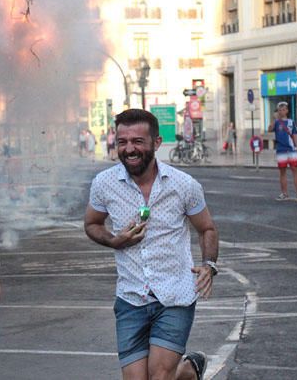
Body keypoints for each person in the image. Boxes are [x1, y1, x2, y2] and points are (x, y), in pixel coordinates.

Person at [84, 109, 218, 380]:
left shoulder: (183, 185)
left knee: (159, 376)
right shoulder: (104, 184)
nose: (129, 149)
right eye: (123, 142)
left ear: (156, 143)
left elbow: (207, 229)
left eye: (137, 142)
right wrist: (114, 240)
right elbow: (92, 224)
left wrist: (208, 265)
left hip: (174, 295)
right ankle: (188, 371)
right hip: (130, 297)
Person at [268, 101, 297, 200]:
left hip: (291, 149)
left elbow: (295, 135)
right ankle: (284, 193)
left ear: (287, 110)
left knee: (295, 171)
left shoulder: (291, 122)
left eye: (284, 109)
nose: (282, 112)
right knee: (282, 172)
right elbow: (269, 129)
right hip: (281, 150)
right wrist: (273, 118)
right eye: (280, 110)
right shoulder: (276, 122)